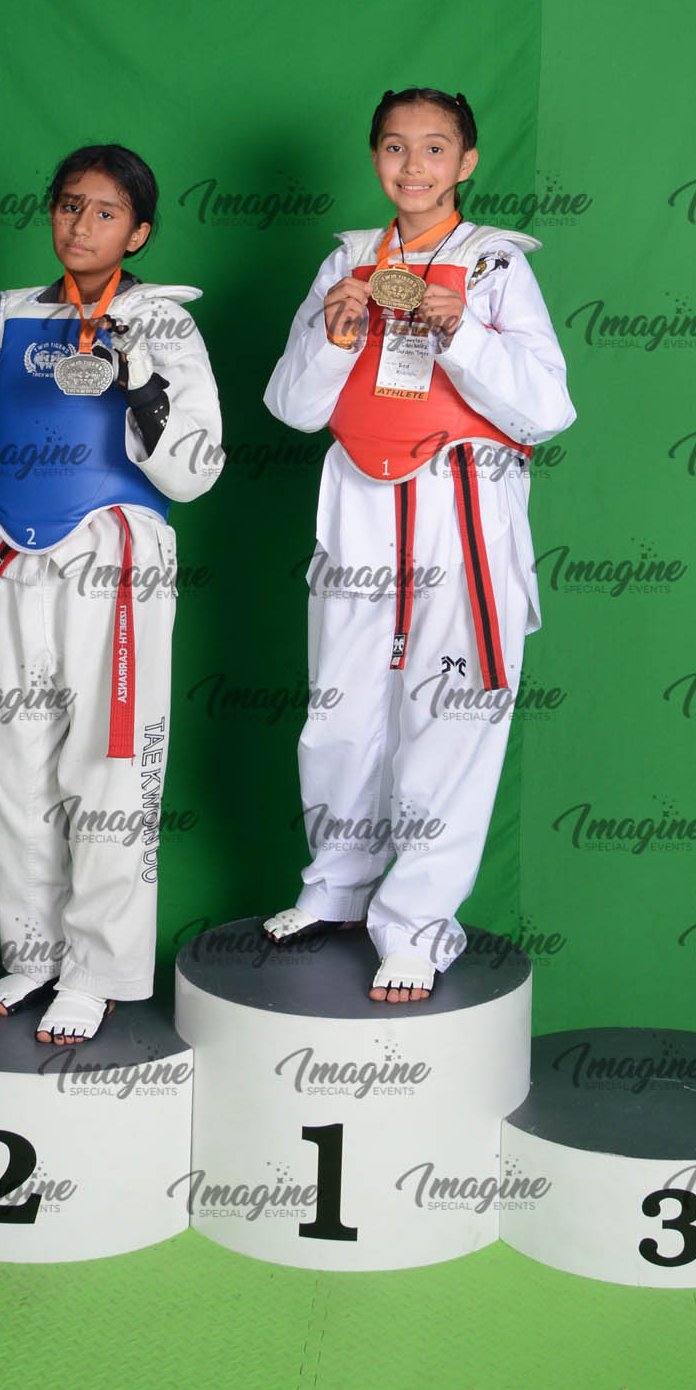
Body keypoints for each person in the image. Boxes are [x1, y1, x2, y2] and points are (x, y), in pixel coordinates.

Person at [263, 88, 575, 1003]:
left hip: (460, 499)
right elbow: (292, 406)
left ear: (466, 163)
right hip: (360, 499)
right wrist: (334, 335)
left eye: (435, 148)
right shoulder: (347, 262)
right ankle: (335, 887)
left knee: (452, 712)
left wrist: (461, 331)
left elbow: (549, 409)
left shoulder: (495, 265)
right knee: (340, 707)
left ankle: (417, 924)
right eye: (396, 147)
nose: (414, 165)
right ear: (375, 158)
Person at [0, 144, 223, 1043]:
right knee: (11, 774)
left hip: (116, 559)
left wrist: (142, 384)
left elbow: (196, 472)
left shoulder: (163, 324)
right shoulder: (6, 323)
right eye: (68, 205)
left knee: (109, 767)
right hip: (14, 556)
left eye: (104, 211)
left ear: (138, 231)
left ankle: (98, 970)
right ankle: (34, 952)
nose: (80, 224)